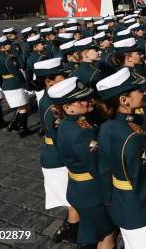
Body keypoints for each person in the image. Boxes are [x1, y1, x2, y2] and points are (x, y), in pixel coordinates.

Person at [50, 77, 117, 248]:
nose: (88, 100)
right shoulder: (82, 132)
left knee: (92, 235)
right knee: (108, 235)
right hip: (92, 194)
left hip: (79, 190)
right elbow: (98, 167)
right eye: (81, 99)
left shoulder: (66, 124)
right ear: (68, 108)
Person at [96, 68, 146, 249]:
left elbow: (104, 171)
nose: (144, 92)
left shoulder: (107, 126)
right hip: (140, 211)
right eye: (138, 90)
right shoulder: (134, 136)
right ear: (124, 100)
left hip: (121, 204)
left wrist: (110, 203)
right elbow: (143, 184)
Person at [33, 58, 80, 245]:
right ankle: (73, 232)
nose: (67, 77)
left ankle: (70, 228)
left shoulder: (53, 99)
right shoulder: (52, 105)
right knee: (73, 198)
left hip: (56, 154)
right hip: (59, 158)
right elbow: (63, 139)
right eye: (63, 76)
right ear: (49, 82)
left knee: (72, 200)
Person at [0, 36, 31, 137]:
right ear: (3, 47)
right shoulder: (8, 58)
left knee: (20, 106)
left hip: (6, 84)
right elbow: (17, 74)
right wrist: (25, 85)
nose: (11, 44)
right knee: (23, 107)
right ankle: (23, 129)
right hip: (15, 84)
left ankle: (15, 125)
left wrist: (0, 84)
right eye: (8, 43)